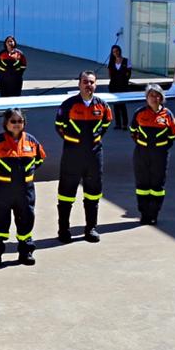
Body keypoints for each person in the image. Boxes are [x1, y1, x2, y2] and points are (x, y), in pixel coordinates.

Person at [53, 70, 113, 243]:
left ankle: (91, 228)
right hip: (72, 156)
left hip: (94, 156)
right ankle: (63, 230)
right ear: (79, 84)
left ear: (96, 85)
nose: (88, 85)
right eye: (85, 82)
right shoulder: (68, 105)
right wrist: (74, 141)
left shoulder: (102, 106)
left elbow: (107, 122)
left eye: (92, 82)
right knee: (66, 195)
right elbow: (59, 126)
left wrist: (96, 138)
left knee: (93, 194)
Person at [0, 109, 45, 267]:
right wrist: (3, 176)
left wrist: (25, 175)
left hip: (25, 192)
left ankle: (26, 253)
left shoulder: (31, 141)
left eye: (20, 121)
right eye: (13, 121)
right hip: (2, 192)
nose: (17, 124)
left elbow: (39, 159)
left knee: (26, 221)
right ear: (6, 123)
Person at [129, 84, 175, 225]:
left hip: (160, 154)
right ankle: (144, 213)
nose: (154, 98)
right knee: (142, 184)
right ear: (146, 98)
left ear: (161, 98)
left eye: (157, 95)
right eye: (151, 95)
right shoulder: (139, 113)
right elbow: (133, 131)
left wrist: (163, 147)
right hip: (142, 153)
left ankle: (154, 214)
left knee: (157, 185)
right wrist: (142, 144)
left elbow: (174, 134)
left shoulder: (167, 114)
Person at [107, 45, 132, 129]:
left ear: (120, 51)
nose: (116, 53)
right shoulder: (111, 62)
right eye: (114, 52)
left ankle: (125, 124)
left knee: (122, 105)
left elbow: (129, 73)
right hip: (114, 85)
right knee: (116, 105)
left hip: (123, 85)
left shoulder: (127, 61)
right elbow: (110, 74)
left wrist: (124, 80)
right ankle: (118, 124)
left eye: (117, 51)